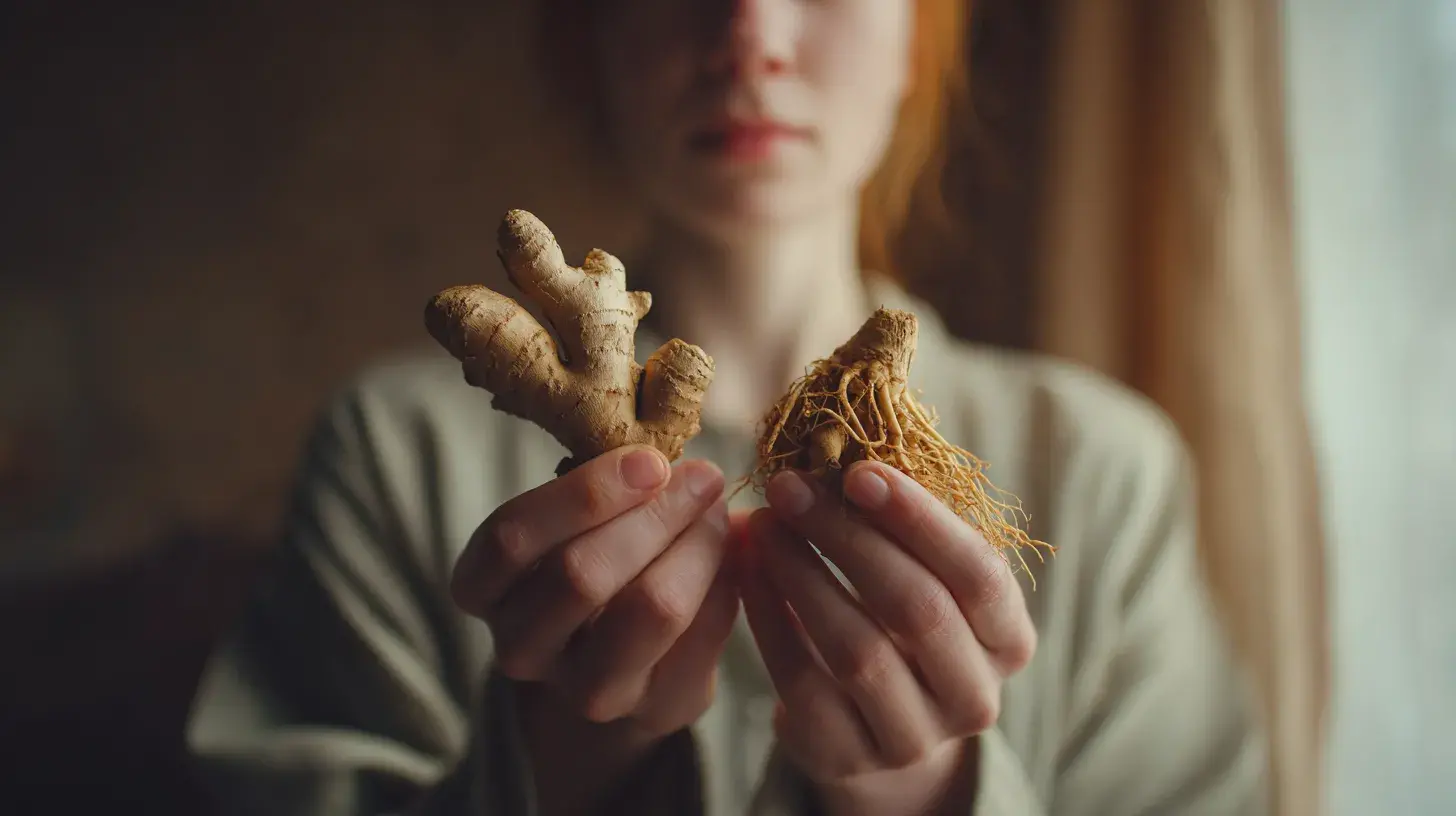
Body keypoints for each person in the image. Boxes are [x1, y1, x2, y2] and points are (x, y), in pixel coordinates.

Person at [186, 1, 1269, 814]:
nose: (750, 31)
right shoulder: (392, 451)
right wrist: (556, 756)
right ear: (590, 36)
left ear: (918, 36)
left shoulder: (1103, 467)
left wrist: (935, 792)